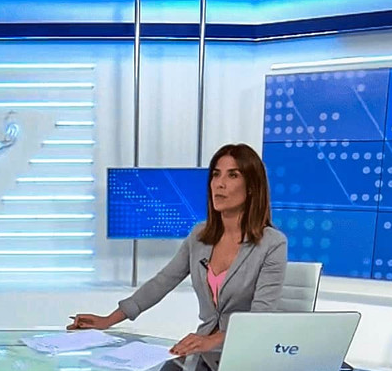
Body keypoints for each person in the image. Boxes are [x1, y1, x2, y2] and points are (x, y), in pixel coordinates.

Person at [68, 143, 287, 356]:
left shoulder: (272, 244)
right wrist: (108, 320)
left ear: (251, 187)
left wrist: (212, 341)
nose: (219, 184)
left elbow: (260, 318)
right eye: (216, 174)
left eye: (232, 175)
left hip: (246, 354)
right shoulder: (200, 236)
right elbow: (163, 282)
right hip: (203, 352)